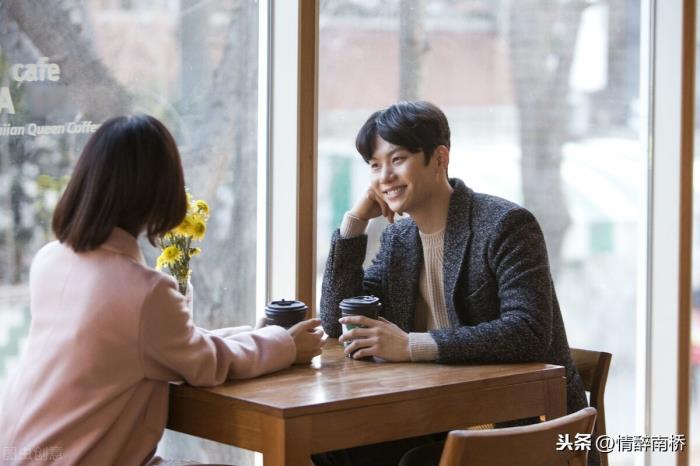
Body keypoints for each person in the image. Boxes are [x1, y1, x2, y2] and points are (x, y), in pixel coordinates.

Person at [0, 115, 324, 466]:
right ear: (158, 191)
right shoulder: (144, 292)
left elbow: (167, 345)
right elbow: (205, 364)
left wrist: (260, 336)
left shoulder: (50, 259)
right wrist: (287, 346)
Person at [315, 101, 597, 466]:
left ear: (439, 158)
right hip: (435, 417)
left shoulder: (505, 225)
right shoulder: (399, 240)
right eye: (374, 165)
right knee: (329, 448)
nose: (385, 176)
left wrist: (411, 345)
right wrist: (354, 223)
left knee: (416, 462)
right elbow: (336, 320)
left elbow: (528, 332)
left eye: (398, 159)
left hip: (521, 424)